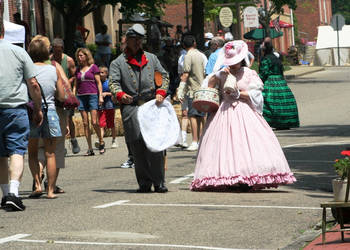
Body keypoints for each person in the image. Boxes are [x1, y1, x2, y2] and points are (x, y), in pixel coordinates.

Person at [190, 40, 296, 191]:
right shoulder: (221, 73)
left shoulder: (249, 73)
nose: (234, 65)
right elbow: (208, 88)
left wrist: (238, 93)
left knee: (245, 145)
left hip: (244, 111)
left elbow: (256, 94)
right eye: (232, 62)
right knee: (225, 146)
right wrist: (217, 76)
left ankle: (246, 177)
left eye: (237, 62)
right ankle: (228, 177)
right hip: (223, 112)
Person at [109, 23, 169, 193]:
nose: (137, 43)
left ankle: (159, 182)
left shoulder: (151, 58)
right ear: (126, 40)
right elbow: (113, 82)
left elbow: (163, 76)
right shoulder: (118, 62)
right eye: (134, 39)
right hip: (132, 107)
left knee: (155, 144)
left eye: (139, 40)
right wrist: (120, 94)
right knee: (137, 146)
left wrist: (161, 91)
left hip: (151, 105)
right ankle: (144, 182)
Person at [0, 18, 43, 211]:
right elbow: (33, 84)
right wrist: (38, 108)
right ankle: (14, 193)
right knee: (16, 150)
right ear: (3, 31)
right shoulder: (18, 52)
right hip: (14, 109)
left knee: (0, 156)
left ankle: (5, 192)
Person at [27, 38, 65, 199]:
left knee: (33, 153)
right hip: (50, 112)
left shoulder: (27, 70)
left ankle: (36, 184)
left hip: (32, 112)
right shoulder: (53, 69)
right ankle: (50, 190)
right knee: (51, 153)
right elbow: (62, 96)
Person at [259, 38, 300, 129]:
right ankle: (285, 122)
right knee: (283, 102)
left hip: (270, 81)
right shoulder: (276, 59)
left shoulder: (265, 59)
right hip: (280, 81)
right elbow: (281, 71)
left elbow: (264, 72)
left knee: (267, 102)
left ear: (264, 50)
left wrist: (258, 80)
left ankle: (270, 122)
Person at [50, 38, 80, 154]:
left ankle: (73, 139)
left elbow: (75, 76)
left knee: (69, 118)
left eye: (58, 51)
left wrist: (68, 82)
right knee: (58, 119)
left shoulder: (69, 60)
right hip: (55, 93)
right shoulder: (50, 59)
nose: (56, 53)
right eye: (54, 50)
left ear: (62, 49)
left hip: (67, 92)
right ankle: (61, 145)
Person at [177, 35, 207, 151]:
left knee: (193, 116)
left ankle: (195, 141)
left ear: (184, 46)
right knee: (201, 115)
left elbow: (185, 74)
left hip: (192, 90)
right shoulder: (201, 55)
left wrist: (180, 90)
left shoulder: (187, 56)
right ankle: (201, 139)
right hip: (202, 88)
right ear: (194, 43)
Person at [74, 48, 105, 155]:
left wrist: (100, 96)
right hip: (81, 96)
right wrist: (74, 98)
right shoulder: (77, 69)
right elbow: (76, 85)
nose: (79, 57)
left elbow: (99, 83)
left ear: (87, 56)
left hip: (92, 95)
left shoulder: (93, 67)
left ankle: (101, 141)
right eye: (78, 56)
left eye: (81, 55)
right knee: (85, 123)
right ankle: (90, 148)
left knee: (94, 122)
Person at [96, 66, 118, 149]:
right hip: (101, 106)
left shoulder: (109, 83)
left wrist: (106, 94)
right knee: (101, 124)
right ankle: (100, 140)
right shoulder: (97, 83)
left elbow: (115, 93)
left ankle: (114, 139)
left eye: (102, 72)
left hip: (110, 105)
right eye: (99, 73)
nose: (100, 74)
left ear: (106, 74)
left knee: (111, 124)